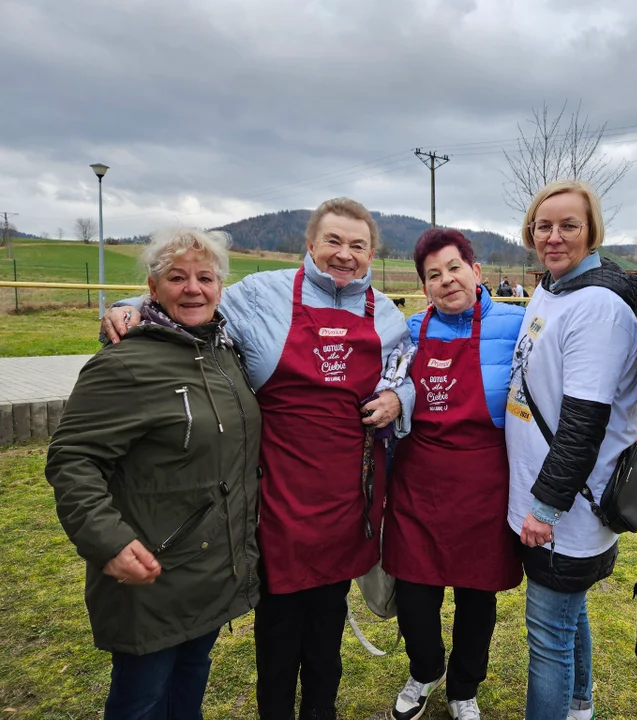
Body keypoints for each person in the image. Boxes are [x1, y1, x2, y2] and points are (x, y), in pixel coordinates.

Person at [101, 198, 415, 720]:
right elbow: (187, 297)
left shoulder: (384, 312)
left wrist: (399, 397)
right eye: (333, 241)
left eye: (357, 246)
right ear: (309, 245)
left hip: (348, 499)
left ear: (371, 254)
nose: (344, 254)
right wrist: (126, 307)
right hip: (277, 498)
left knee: (326, 633)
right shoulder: (262, 293)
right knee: (278, 633)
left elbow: (405, 370)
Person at [47, 228, 261, 719]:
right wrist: (108, 542)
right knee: (141, 700)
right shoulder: (125, 363)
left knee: (190, 681)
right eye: (177, 277)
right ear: (152, 286)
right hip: (151, 571)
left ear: (220, 287)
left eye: (205, 277)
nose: (193, 288)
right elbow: (72, 458)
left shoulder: (223, 355)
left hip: (210, 568)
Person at [504, 180, 637, 720]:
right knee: (567, 617)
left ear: (592, 233)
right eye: (544, 226)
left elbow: (583, 426)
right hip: (543, 495)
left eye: (569, 226)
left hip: (566, 508)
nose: (554, 237)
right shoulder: (551, 289)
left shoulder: (598, 309)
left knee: (547, 638)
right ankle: (579, 705)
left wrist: (545, 508)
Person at [382, 228, 525, 720]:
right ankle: (424, 672)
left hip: (486, 483)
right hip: (419, 482)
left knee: (476, 597)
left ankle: (464, 688)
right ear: (424, 286)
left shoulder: (519, 323)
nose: (446, 281)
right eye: (433, 275)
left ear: (476, 271)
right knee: (416, 592)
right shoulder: (410, 329)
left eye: (454, 268)